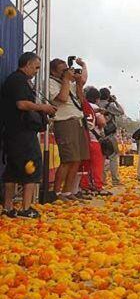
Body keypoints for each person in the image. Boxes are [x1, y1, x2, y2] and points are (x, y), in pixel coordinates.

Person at [1, 52, 57, 218]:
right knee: (32, 167)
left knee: (12, 170)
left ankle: (8, 208)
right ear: (28, 64)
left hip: (12, 132)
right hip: (22, 133)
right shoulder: (18, 81)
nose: (37, 71)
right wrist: (43, 108)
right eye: (36, 67)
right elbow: (21, 104)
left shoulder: (15, 80)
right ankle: (26, 208)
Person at [49, 57, 90, 201]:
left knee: (77, 159)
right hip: (64, 122)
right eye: (63, 70)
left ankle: (68, 191)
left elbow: (81, 99)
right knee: (67, 159)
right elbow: (63, 98)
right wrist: (66, 80)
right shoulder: (50, 82)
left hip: (77, 121)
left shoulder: (69, 82)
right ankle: (56, 193)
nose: (67, 72)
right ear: (54, 71)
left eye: (67, 69)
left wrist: (78, 83)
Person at [81, 87, 111, 196]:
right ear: (97, 99)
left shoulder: (83, 106)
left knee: (85, 164)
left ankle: (84, 186)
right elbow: (102, 122)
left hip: (84, 139)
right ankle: (98, 186)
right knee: (97, 164)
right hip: (94, 139)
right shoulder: (95, 108)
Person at [97, 87, 124, 186]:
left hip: (99, 134)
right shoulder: (110, 105)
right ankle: (115, 180)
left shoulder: (96, 104)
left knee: (102, 157)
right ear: (108, 96)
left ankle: (102, 180)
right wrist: (115, 101)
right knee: (113, 156)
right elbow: (121, 111)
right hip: (110, 134)